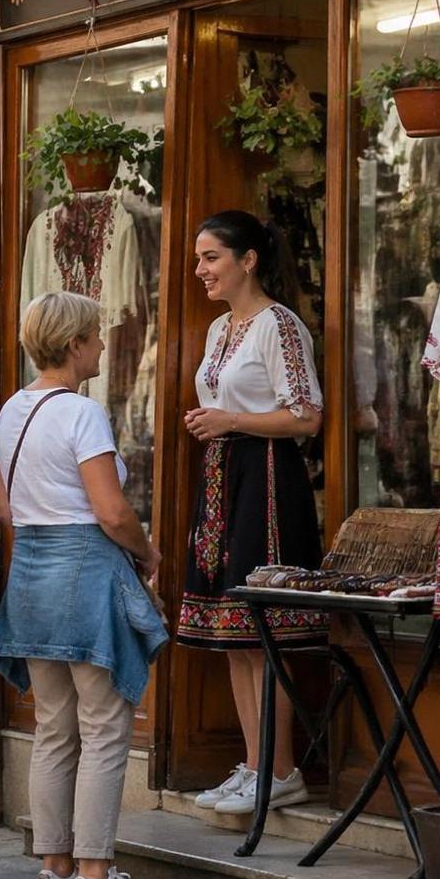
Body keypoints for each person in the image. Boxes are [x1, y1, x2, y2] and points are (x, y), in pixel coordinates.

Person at [0, 292, 169, 879]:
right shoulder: (82, 413)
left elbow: (4, 509)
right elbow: (112, 511)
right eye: (94, 334)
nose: (101, 343)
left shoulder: (11, 411)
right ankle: (96, 876)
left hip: (30, 573)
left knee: (53, 733)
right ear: (73, 346)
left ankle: (54, 873)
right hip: (85, 572)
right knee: (105, 728)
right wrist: (147, 553)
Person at [181, 210, 325, 816]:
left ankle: (282, 768)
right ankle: (255, 763)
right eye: (198, 258)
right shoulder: (220, 331)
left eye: (211, 257)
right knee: (235, 634)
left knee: (262, 631)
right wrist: (216, 427)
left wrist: (230, 420)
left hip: (267, 479)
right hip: (223, 478)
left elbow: (307, 416)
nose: (201, 269)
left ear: (249, 260)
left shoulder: (279, 326)